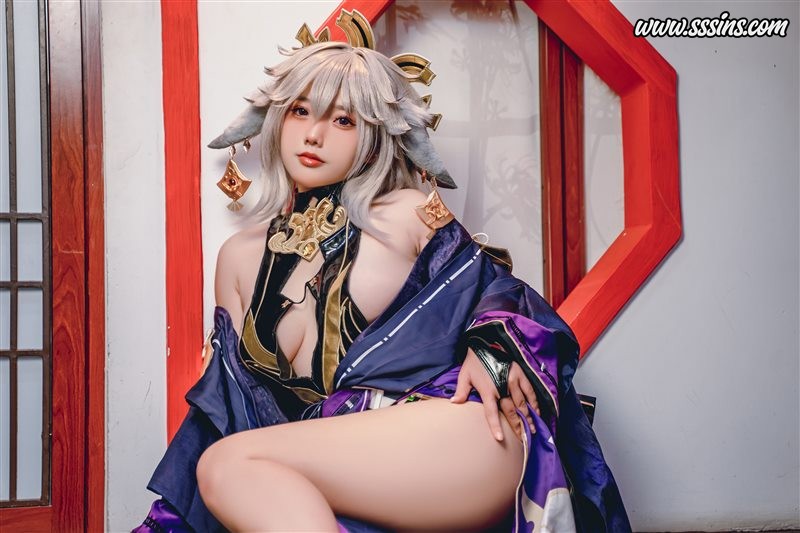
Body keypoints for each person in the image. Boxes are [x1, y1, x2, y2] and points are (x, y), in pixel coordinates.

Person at [135, 11, 630, 533]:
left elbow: (500, 291)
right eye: (301, 111)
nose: (314, 135)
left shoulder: (407, 212)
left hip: (460, 427)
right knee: (227, 466)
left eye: (344, 121)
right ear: (278, 119)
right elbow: (230, 406)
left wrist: (491, 350)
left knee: (229, 464)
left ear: (374, 135)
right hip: (339, 464)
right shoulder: (237, 257)